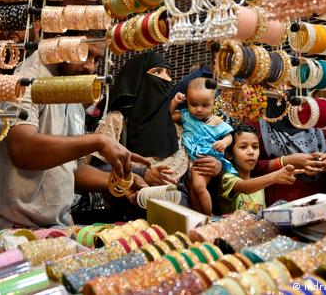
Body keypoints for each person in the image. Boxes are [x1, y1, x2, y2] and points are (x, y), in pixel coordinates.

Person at [0, 40, 138, 230]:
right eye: (85, 53)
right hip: (12, 229)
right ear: (60, 40)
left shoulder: (72, 91)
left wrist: (120, 181)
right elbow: (23, 151)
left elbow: (72, 168)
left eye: (96, 59)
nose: (90, 67)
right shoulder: (24, 80)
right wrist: (98, 141)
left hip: (58, 226)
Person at [74, 53, 222, 222]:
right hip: (130, 221)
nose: (166, 79)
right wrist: (141, 173)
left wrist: (215, 165)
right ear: (138, 78)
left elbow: (193, 171)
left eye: (168, 73)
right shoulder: (118, 120)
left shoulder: (178, 124)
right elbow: (94, 169)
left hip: (181, 218)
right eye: (158, 72)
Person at [171, 77, 234, 215]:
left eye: (205, 105)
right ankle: (198, 215)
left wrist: (224, 142)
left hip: (204, 159)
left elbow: (229, 135)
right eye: (193, 104)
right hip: (187, 160)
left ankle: (207, 215)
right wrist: (175, 102)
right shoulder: (186, 116)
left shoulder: (216, 121)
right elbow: (167, 116)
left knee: (198, 187)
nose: (199, 109)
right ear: (187, 100)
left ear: (213, 103)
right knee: (192, 190)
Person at [253, 115, 326, 205]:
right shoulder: (255, 121)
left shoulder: (316, 118)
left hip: (322, 204)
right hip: (281, 208)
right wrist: (283, 162)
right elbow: (245, 169)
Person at [218, 124, 302, 214]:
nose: (251, 152)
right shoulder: (226, 179)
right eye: (243, 147)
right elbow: (243, 187)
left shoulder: (260, 183)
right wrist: (275, 176)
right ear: (229, 154)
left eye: (255, 147)